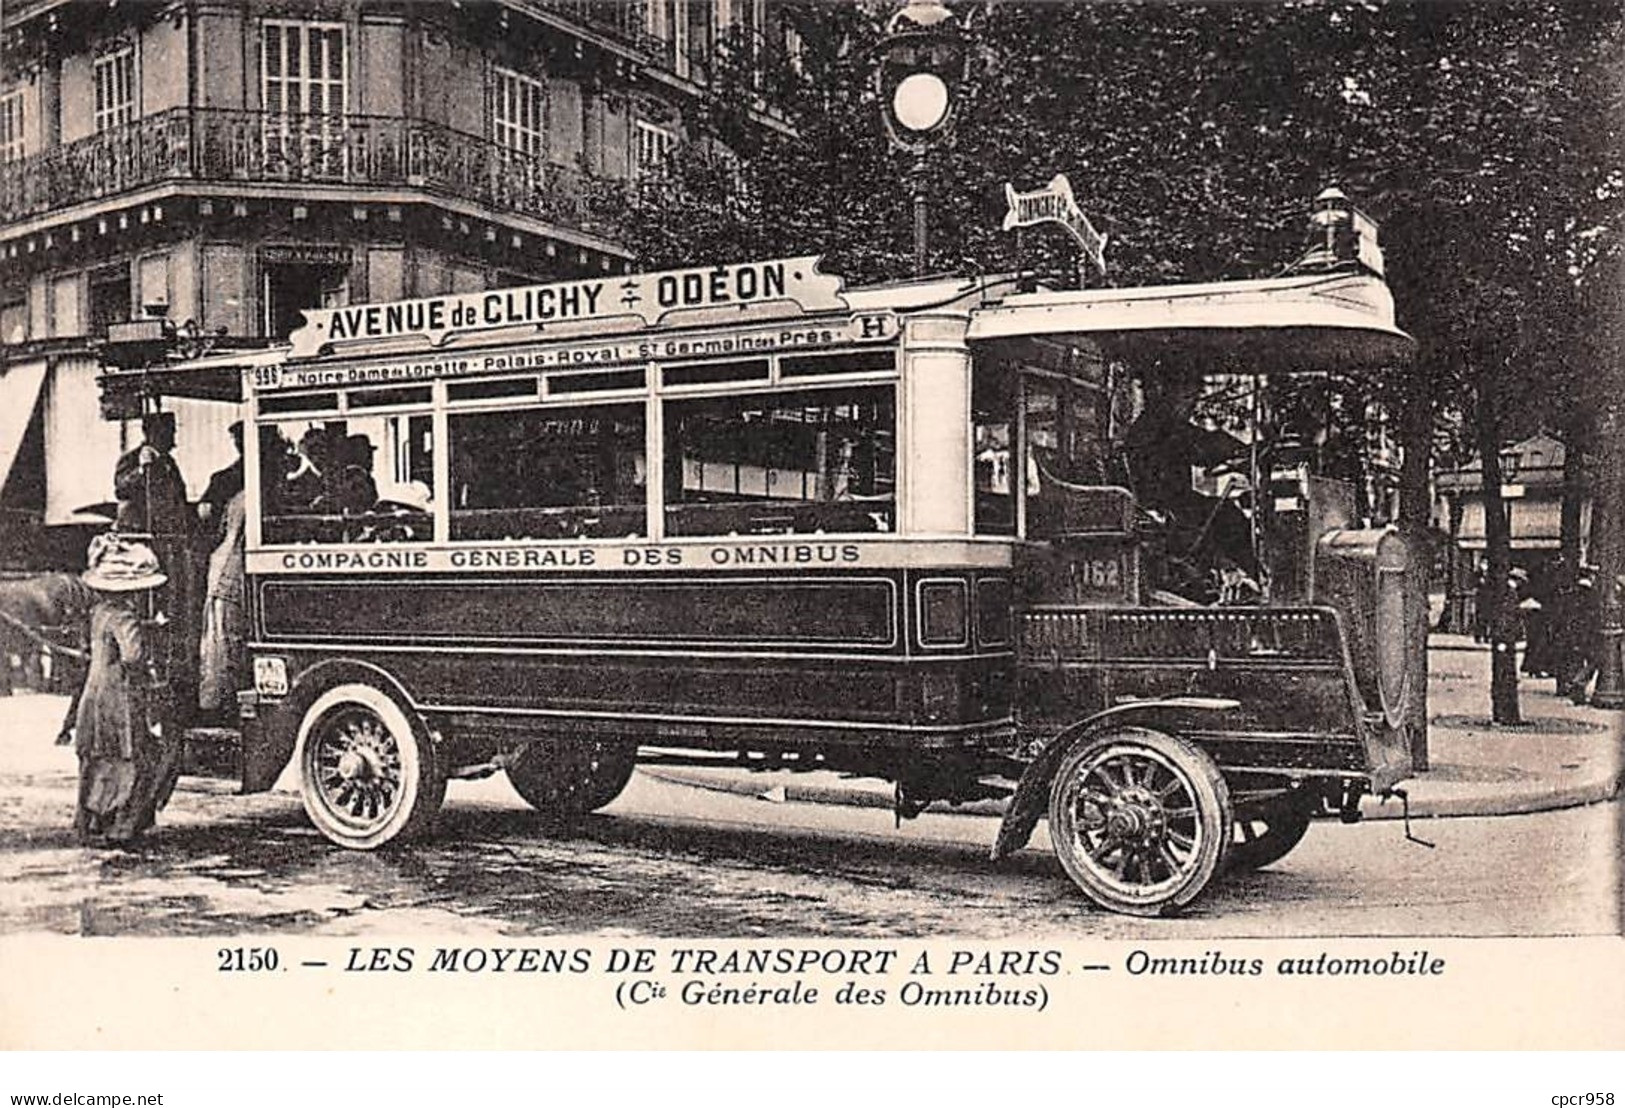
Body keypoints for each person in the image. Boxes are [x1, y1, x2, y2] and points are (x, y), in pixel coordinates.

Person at [74, 536, 180, 846]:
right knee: (131, 757)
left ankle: (90, 821)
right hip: (119, 695)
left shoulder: (99, 613)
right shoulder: (124, 617)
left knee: (97, 758)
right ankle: (122, 826)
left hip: (94, 694)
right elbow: (133, 657)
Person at [198, 491, 247, 721]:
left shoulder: (236, 498)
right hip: (232, 573)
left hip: (222, 569)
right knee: (227, 645)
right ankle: (222, 707)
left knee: (219, 644)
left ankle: (217, 703)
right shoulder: (252, 497)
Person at [196, 420, 245, 546]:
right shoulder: (226, 475)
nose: (236, 443)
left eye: (239, 438)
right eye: (235, 439)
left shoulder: (223, 479)